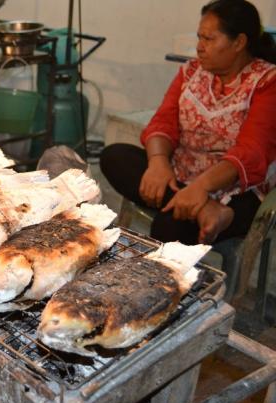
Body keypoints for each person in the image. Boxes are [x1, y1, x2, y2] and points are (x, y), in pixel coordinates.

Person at [100, 0, 276, 245]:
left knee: (168, 226)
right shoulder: (191, 71)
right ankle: (205, 210)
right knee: (114, 156)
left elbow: (251, 150)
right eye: (199, 37)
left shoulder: (267, 81)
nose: (199, 47)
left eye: (209, 39)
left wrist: (202, 186)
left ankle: (210, 210)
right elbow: (163, 122)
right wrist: (158, 163)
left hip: (237, 190)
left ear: (239, 42)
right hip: (182, 175)